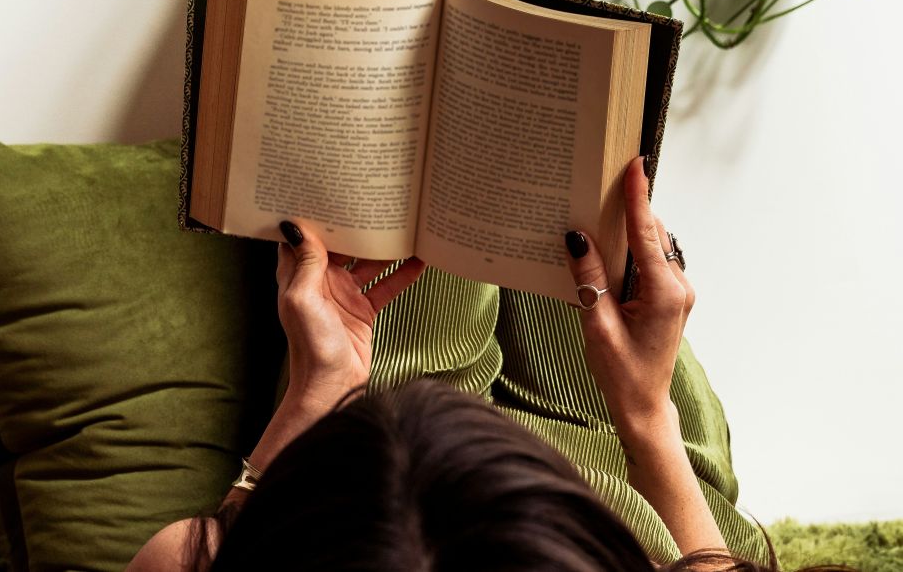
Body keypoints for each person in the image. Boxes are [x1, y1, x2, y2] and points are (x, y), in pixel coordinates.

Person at [127, 157, 844, 571]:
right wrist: (649, 413)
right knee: (547, 165)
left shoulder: (191, 555)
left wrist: (318, 390)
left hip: (368, 467)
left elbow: (206, 555)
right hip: (636, 489)